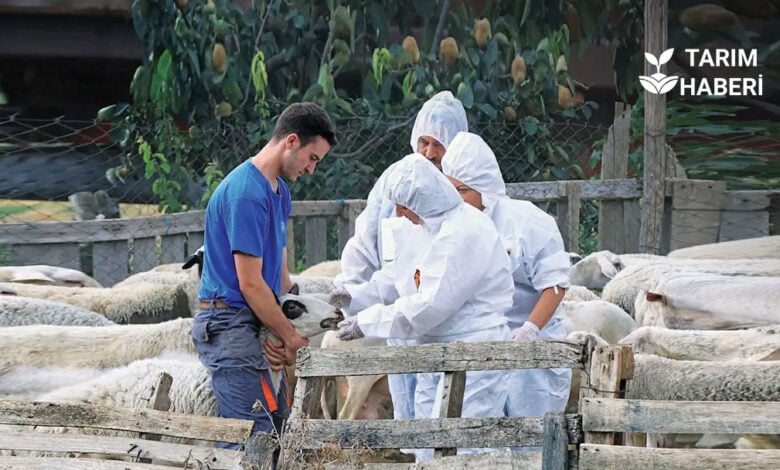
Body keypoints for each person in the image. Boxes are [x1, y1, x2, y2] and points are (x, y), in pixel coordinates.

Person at [335, 153, 514, 461]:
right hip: (433, 354)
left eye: (404, 205)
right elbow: (398, 279)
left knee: (464, 448)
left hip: (473, 355)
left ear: (424, 199)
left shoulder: (466, 232)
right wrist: (354, 296)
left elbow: (428, 307)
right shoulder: (424, 227)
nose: (399, 213)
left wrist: (367, 322)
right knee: (426, 448)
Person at [191, 102, 336, 448]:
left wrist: (283, 333)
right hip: (230, 321)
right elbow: (251, 283)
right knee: (253, 434)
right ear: (291, 141)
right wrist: (291, 338)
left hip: (261, 317)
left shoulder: (279, 192)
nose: (311, 169)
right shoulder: (246, 194)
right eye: (312, 158)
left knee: (279, 428)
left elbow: (280, 278)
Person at [332, 91, 468, 423]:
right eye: (424, 142)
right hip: (396, 322)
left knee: (449, 415)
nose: (430, 152)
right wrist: (351, 292)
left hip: (449, 327)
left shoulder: (465, 185)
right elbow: (367, 241)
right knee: (408, 413)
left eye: (439, 144)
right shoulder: (396, 180)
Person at [441, 132, 572, 422]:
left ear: (485, 189)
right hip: (481, 343)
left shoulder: (529, 223)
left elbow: (555, 285)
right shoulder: (453, 225)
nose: (456, 199)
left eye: (463, 190)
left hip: (534, 348)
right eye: (450, 189)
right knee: (478, 431)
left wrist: (529, 330)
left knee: (532, 433)